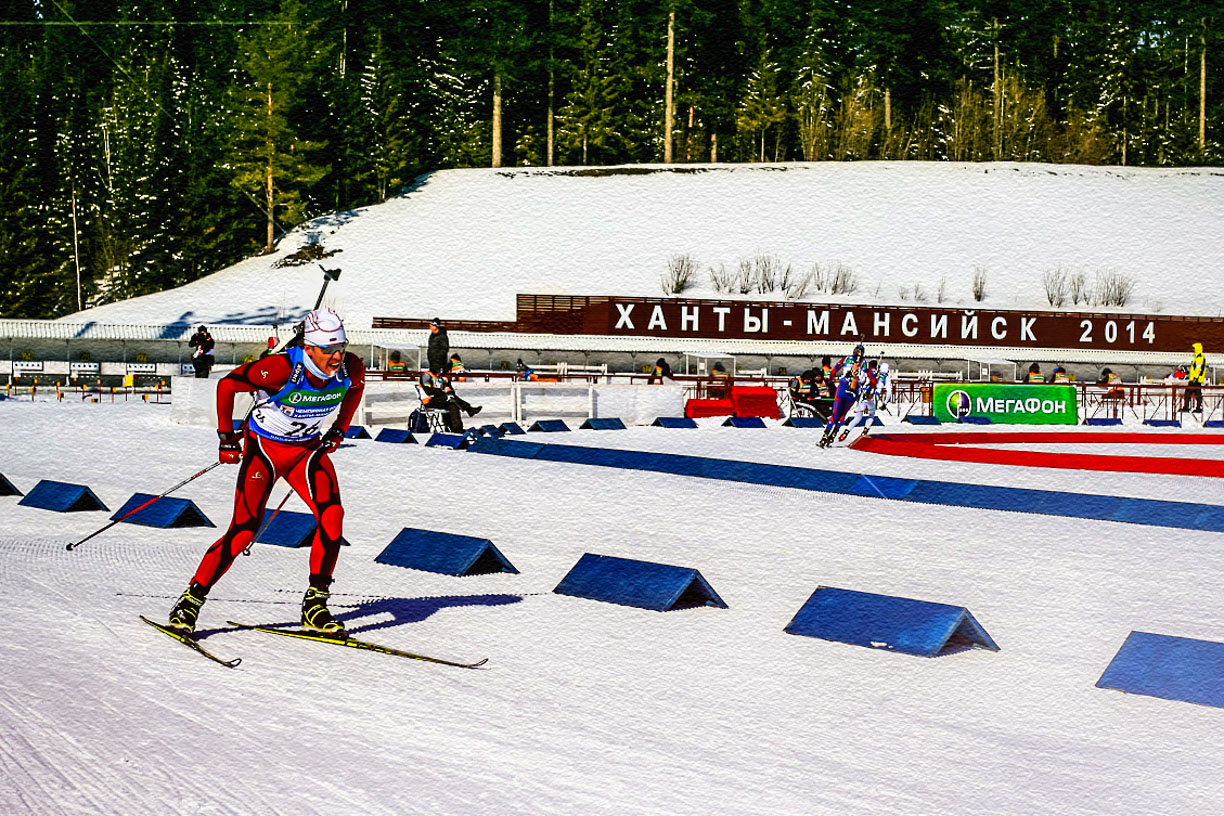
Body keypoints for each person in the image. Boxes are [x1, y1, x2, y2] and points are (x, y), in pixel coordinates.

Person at [166, 308, 366, 636]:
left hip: (305, 451)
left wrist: (340, 429)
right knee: (244, 529)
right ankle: (191, 600)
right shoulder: (281, 368)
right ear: (309, 346)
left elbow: (355, 388)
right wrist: (226, 438)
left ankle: (315, 606)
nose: (336, 356)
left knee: (332, 517)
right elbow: (228, 385)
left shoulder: (349, 366)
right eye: (328, 349)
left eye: (340, 347)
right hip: (265, 452)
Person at [820, 343, 866, 447]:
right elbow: (863, 379)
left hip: (843, 388)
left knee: (835, 414)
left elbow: (834, 370)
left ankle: (825, 436)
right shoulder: (864, 363)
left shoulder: (846, 359)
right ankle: (834, 433)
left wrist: (830, 381)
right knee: (842, 414)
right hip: (854, 392)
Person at [421, 365, 481, 432]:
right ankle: (469, 409)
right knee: (450, 397)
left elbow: (447, 388)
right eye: (439, 371)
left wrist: (448, 388)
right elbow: (428, 391)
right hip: (428, 401)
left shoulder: (438, 378)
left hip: (439, 399)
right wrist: (442, 391)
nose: (440, 373)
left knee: (453, 405)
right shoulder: (426, 376)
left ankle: (457, 428)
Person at [841, 360, 891, 441]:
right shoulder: (885, 377)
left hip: (863, 396)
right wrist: (885, 403)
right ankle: (865, 430)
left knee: (858, 417)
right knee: (871, 415)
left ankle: (846, 431)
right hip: (874, 398)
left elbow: (859, 381)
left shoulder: (866, 372)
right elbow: (889, 392)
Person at [1183, 341, 1206, 412]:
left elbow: (1198, 369)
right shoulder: (1197, 358)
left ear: (1197, 349)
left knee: (1188, 393)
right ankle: (1198, 408)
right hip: (1195, 379)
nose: (1192, 350)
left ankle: (1187, 407)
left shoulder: (1199, 358)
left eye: (1194, 349)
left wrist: (1195, 378)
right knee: (1197, 393)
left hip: (1195, 380)